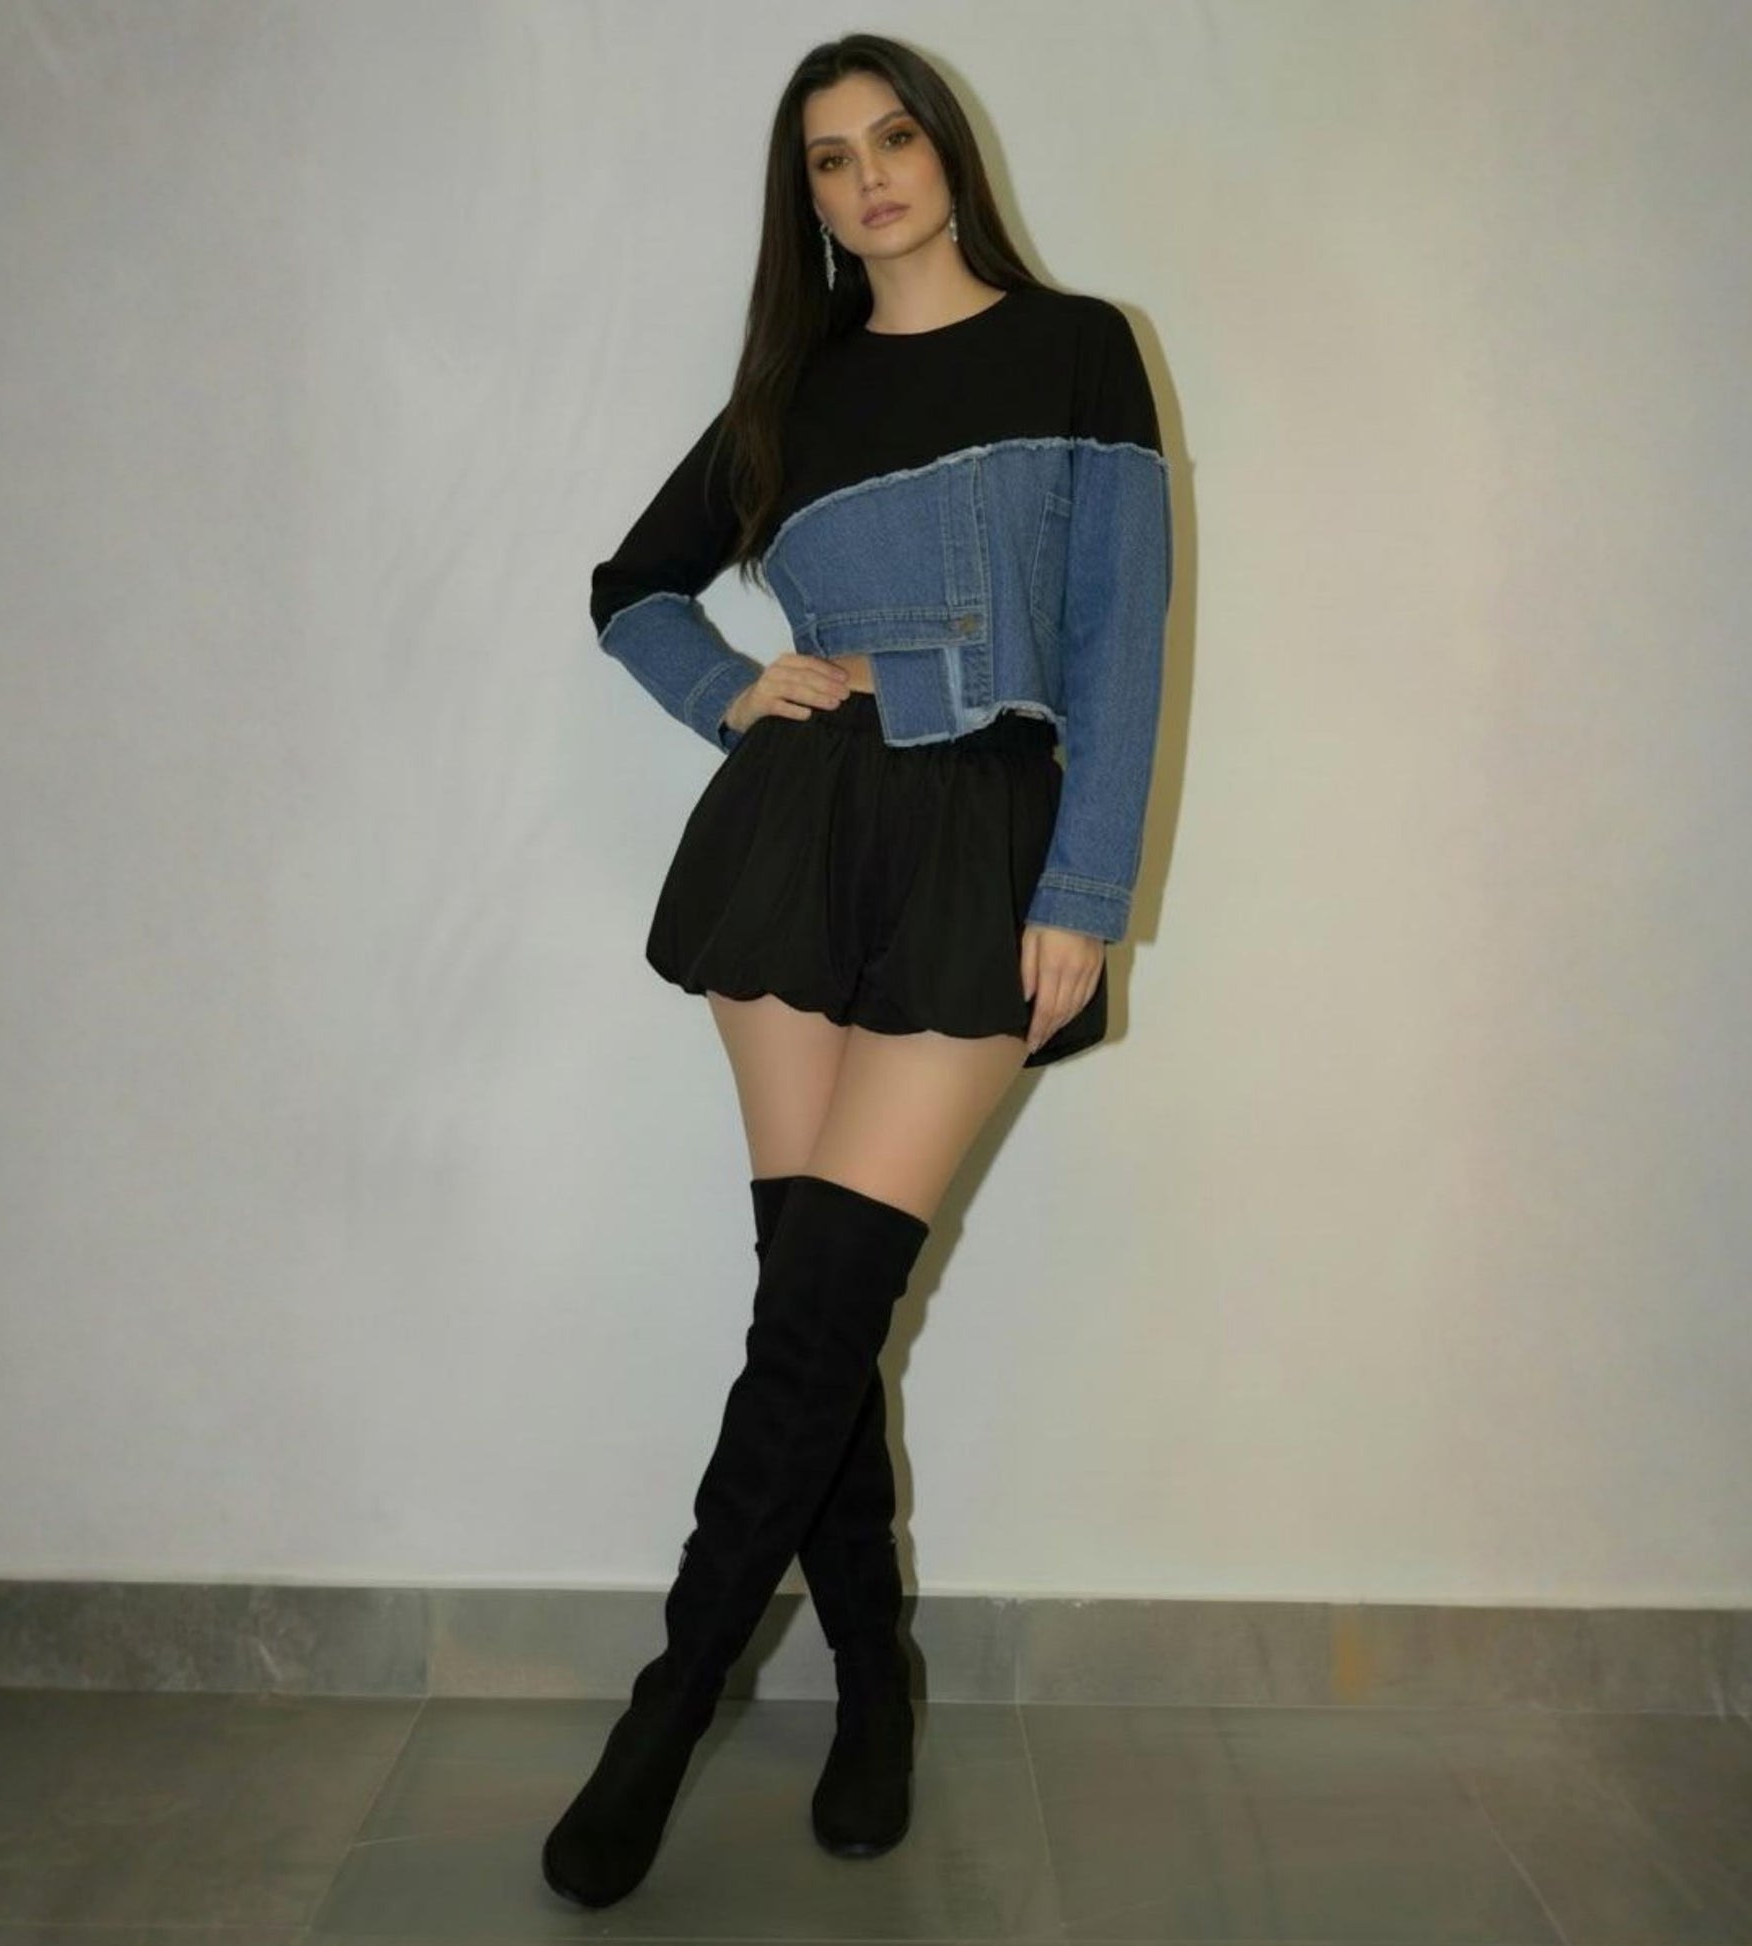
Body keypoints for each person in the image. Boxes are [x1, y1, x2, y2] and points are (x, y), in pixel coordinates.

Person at [542, 31, 1173, 1910]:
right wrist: (737, 689)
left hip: (984, 841)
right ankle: (873, 1688)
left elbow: (1119, 638)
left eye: (893, 137)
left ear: (947, 152)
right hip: (802, 840)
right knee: (808, 1307)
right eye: (829, 158)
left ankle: (668, 1711)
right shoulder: (791, 392)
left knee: (823, 1303)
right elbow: (631, 587)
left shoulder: (1080, 347)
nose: (869, 175)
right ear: (805, 199)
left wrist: (1085, 884)